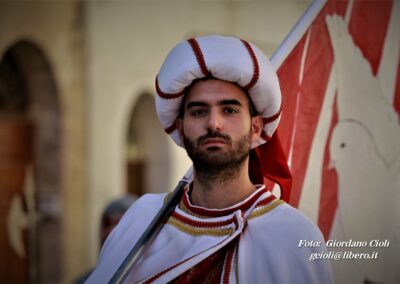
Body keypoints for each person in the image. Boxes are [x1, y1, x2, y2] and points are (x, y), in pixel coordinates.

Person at [87, 35, 333, 283]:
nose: (213, 123)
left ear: (256, 128)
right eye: (199, 111)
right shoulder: (142, 217)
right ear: (182, 128)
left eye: (229, 110)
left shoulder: (291, 236)